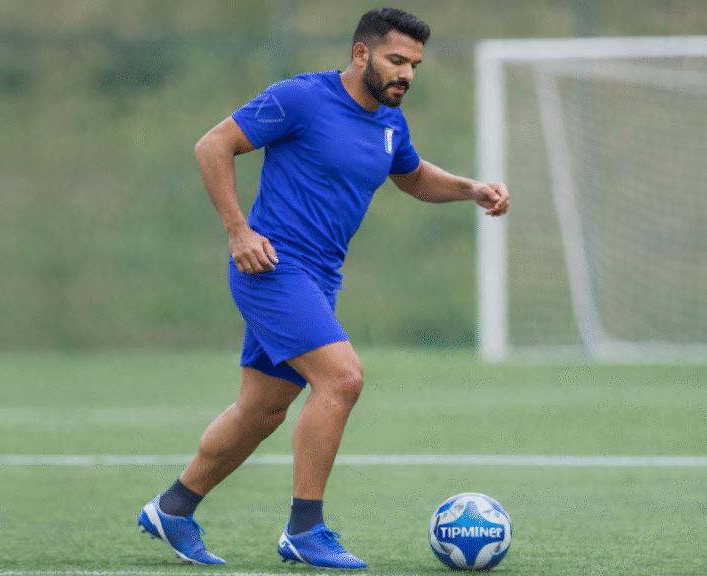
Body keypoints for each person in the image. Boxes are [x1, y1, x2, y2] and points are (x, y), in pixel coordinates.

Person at [137, 7, 509, 570]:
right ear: (361, 54)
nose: (406, 73)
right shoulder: (301, 98)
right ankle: (304, 528)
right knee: (343, 379)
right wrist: (239, 231)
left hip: (319, 280)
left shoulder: (389, 122)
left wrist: (471, 188)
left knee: (261, 410)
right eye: (396, 60)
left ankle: (173, 508)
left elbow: (409, 175)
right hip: (272, 269)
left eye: (414, 65)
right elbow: (212, 145)